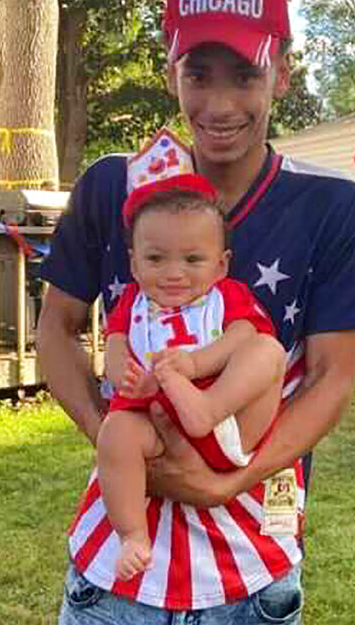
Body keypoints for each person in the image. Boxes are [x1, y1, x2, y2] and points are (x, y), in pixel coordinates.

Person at [37, 0, 355, 625]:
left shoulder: (333, 209)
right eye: (200, 70)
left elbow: (336, 376)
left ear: (281, 66)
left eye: (246, 71)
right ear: (170, 68)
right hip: (120, 571)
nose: (222, 101)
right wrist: (133, 450)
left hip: (251, 570)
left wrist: (225, 475)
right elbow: (55, 334)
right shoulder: (116, 187)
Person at [98, 172, 286, 581]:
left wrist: (196, 365)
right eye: (155, 258)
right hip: (158, 427)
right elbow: (115, 341)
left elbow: (244, 333)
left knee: (268, 350)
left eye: (192, 259)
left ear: (221, 265)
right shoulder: (132, 301)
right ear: (133, 262)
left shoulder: (228, 295)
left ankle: (206, 406)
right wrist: (123, 374)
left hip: (225, 422)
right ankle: (132, 533)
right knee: (114, 432)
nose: (173, 273)